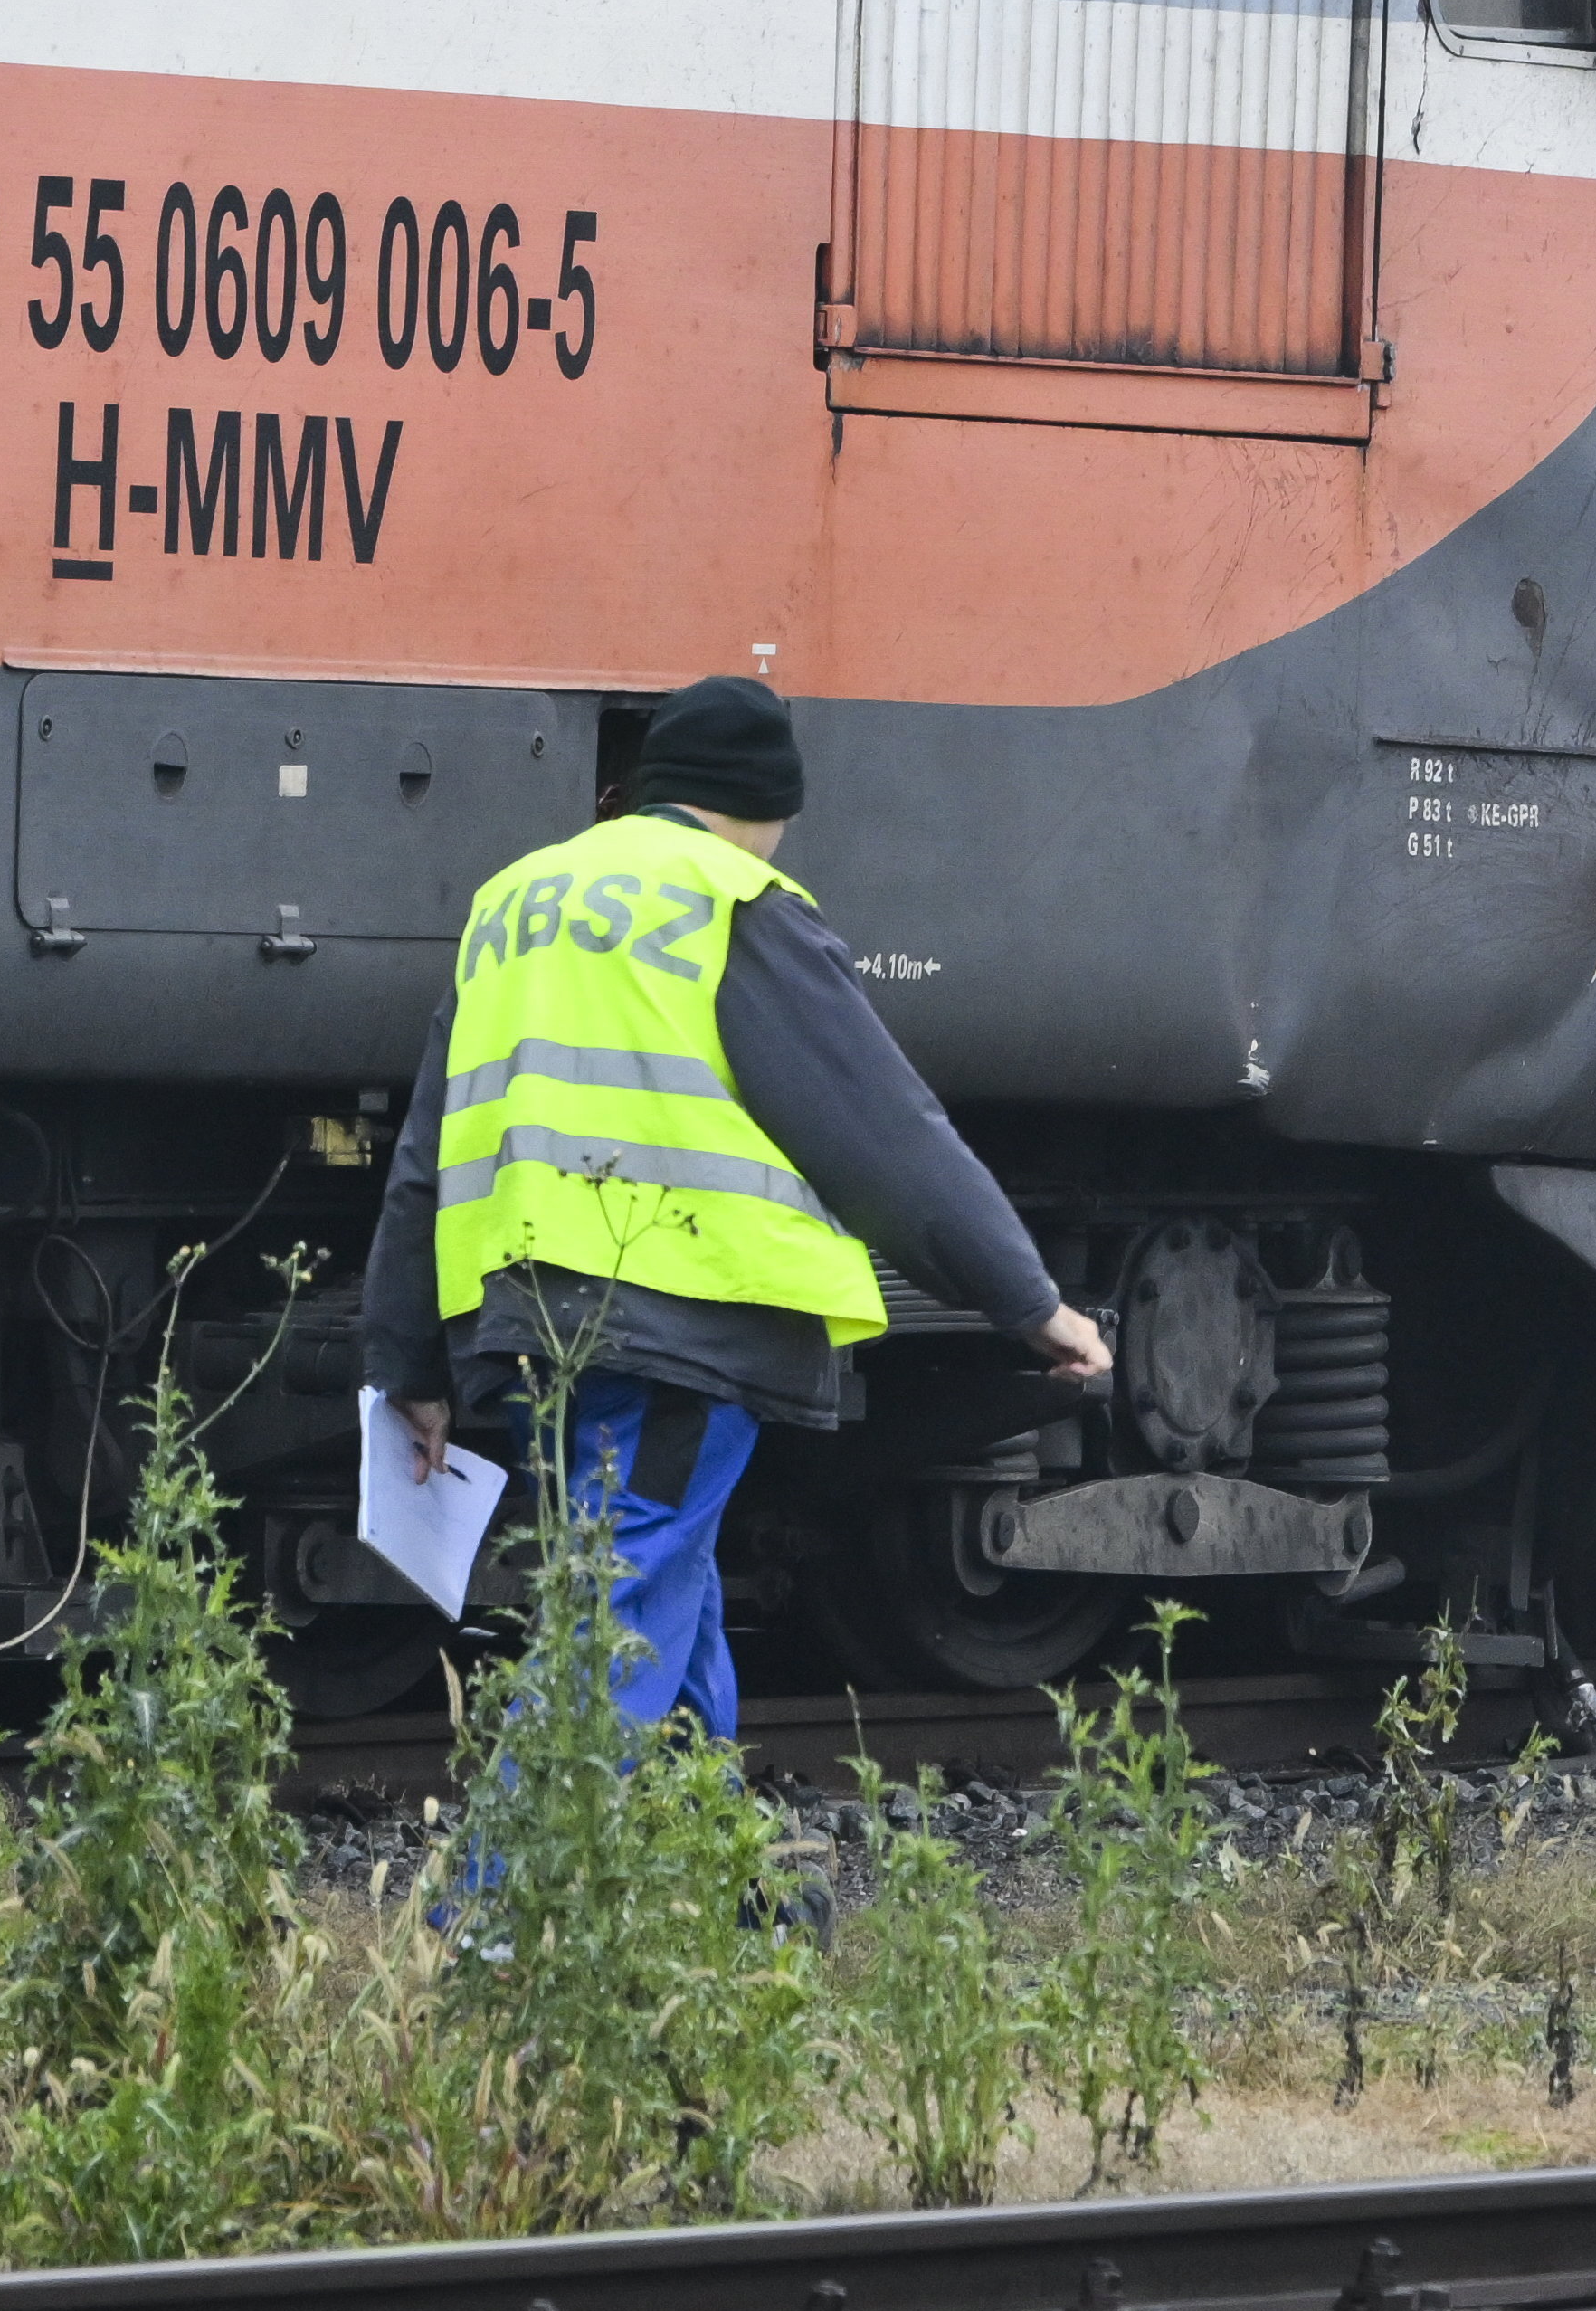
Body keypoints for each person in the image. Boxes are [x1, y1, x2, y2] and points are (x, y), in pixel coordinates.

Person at [362, 674, 1109, 1738]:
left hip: (524, 1332)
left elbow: (424, 1157)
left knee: (667, 1584)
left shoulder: (512, 902)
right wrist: (1032, 1303)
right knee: (621, 1616)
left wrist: (408, 1366)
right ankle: (496, 1902)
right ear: (766, 807)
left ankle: (721, 1886)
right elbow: (883, 1131)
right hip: (683, 1330)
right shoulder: (731, 898)